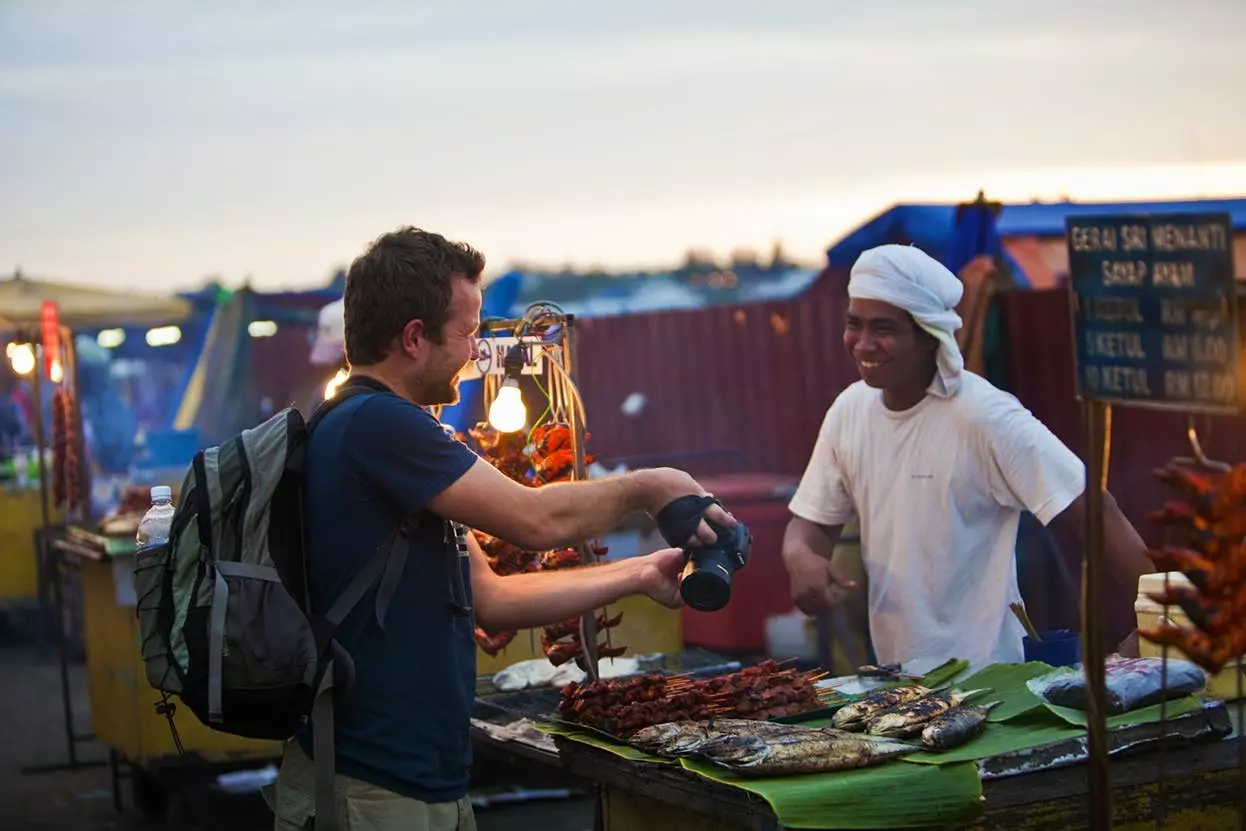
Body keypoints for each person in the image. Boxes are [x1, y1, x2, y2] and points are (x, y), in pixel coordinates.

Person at [268, 226, 734, 831]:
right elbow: (535, 519)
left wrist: (641, 572)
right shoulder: (379, 424)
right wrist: (654, 486)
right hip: (370, 789)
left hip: (414, 781)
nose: (473, 348)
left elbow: (494, 598)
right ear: (414, 337)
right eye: (466, 330)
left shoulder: (379, 432)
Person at [782, 244, 1150, 670]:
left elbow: (1094, 508)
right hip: (901, 684)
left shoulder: (983, 414)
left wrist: (1160, 623)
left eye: (883, 328)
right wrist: (801, 557)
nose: (863, 343)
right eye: (853, 325)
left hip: (993, 681)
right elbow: (812, 524)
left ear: (928, 335)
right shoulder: (850, 411)